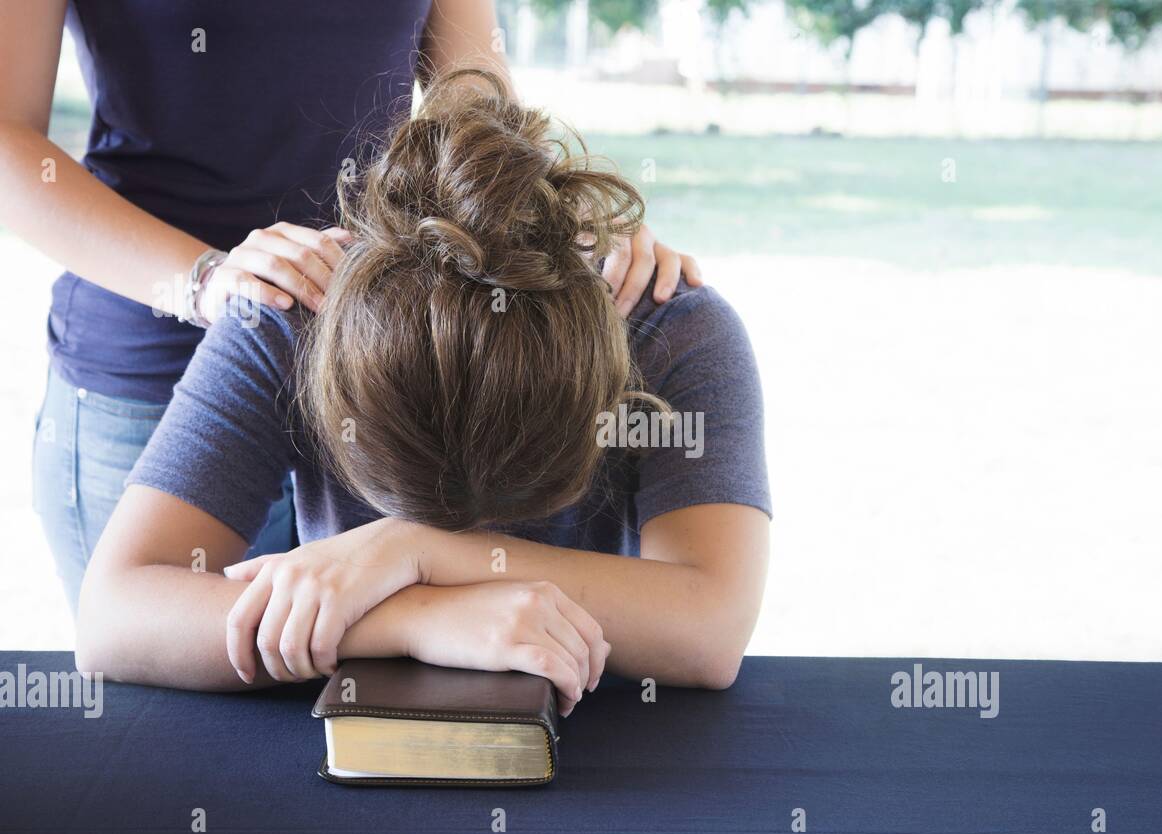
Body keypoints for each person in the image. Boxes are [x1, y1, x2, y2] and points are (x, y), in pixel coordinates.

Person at [77, 72, 770, 714]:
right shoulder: (292, 312)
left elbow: (710, 630)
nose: (466, 537)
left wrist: (410, 551)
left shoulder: (673, 328)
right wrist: (415, 619)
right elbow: (112, 617)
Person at [0, 0, 699, 612]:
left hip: (377, 372)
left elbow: (473, 98)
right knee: (179, 723)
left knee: (367, 691)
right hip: (150, 375)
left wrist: (552, 210)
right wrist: (204, 280)